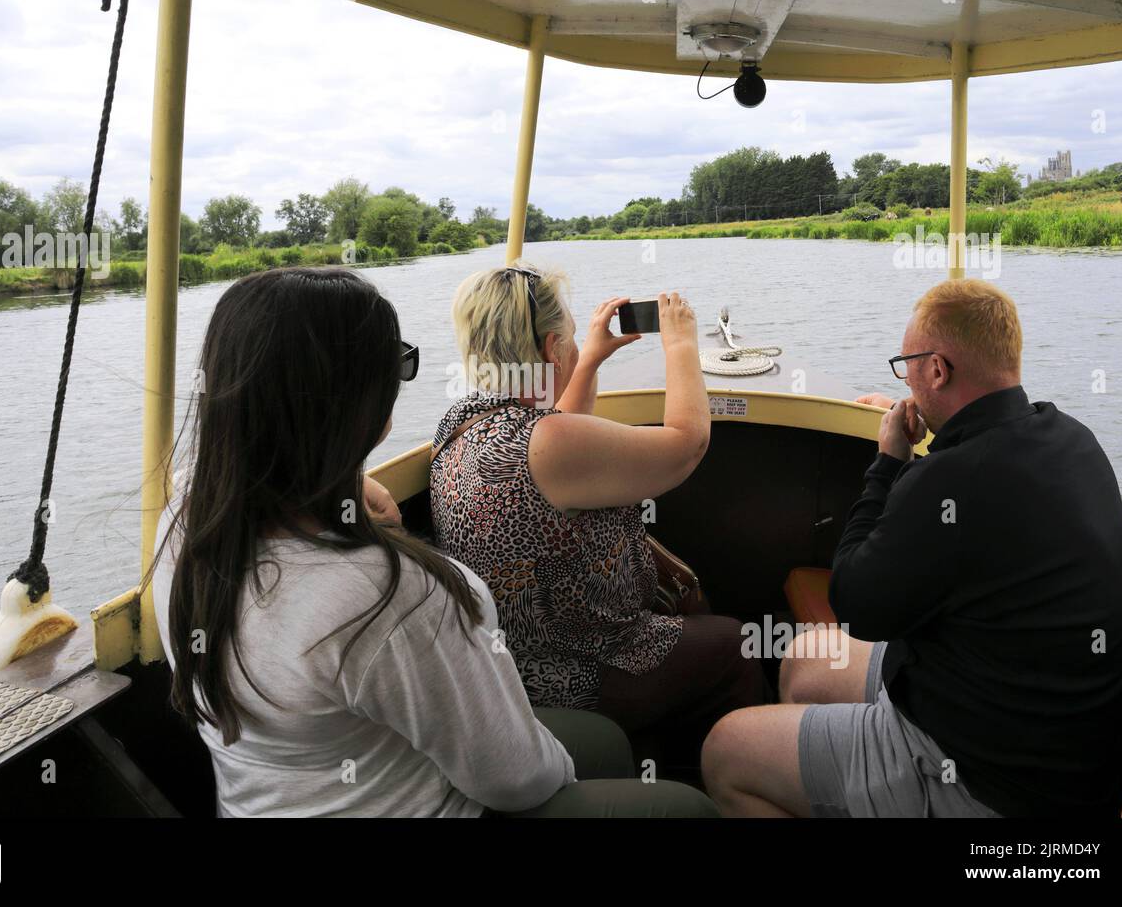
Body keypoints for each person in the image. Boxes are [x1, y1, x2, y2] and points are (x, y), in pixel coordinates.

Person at [149, 267, 715, 817]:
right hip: (445, 794)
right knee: (684, 805)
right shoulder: (399, 594)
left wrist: (347, 480)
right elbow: (519, 782)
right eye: (398, 363)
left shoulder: (182, 525)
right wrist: (681, 343)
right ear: (365, 403)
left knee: (606, 746)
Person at [702, 278, 1122, 818]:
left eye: (906, 363)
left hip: (986, 784)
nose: (905, 378)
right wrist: (935, 430)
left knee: (725, 751)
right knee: (802, 659)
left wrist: (887, 464)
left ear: (937, 369)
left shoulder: (944, 481)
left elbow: (856, 603)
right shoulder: (1073, 437)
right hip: (1066, 752)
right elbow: (983, 480)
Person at [431, 264, 765, 774]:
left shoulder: (463, 425)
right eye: (565, 335)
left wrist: (587, 359)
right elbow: (686, 446)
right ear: (548, 349)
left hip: (517, 658)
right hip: (576, 669)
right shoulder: (545, 445)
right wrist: (679, 347)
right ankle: (742, 772)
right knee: (735, 645)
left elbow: (557, 428)